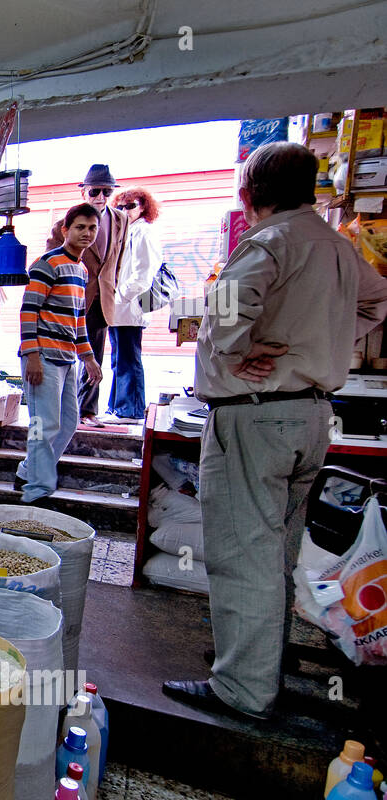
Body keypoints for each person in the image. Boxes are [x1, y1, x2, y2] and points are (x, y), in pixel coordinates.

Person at [163, 142, 387, 721]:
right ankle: (263, 666)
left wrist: (239, 349)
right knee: (276, 553)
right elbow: (376, 302)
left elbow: (226, 307)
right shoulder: (337, 246)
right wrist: (326, 337)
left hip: (257, 415)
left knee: (244, 555)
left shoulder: (269, 241)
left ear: (250, 194)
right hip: (312, 415)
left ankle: (242, 690)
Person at [15, 204, 104, 503]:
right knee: (45, 423)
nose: (86, 233)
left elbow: (78, 319)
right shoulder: (46, 264)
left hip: (68, 359)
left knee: (68, 422)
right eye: (80, 227)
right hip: (43, 356)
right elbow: (28, 311)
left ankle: (29, 472)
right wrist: (33, 356)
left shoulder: (81, 270)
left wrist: (89, 358)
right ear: (66, 230)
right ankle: (36, 487)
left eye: (92, 228)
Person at [49, 164, 128, 428]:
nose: (101, 197)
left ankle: (88, 410)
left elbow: (117, 258)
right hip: (71, 297)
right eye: (95, 190)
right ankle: (64, 409)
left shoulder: (121, 219)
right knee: (67, 355)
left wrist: (112, 286)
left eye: (107, 191)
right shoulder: (68, 222)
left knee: (96, 356)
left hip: (102, 298)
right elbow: (50, 257)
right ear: (84, 191)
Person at [102, 187, 165, 423]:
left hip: (128, 307)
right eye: (121, 207)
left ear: (143, 208)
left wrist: (119, 297)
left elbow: (143, 274)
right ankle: (118, 407)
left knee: (128, 359)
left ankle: (131, 410)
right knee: (119, 359)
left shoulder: (144, 233)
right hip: (118, 308)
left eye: (131, 206)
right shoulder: (125, 232)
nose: (125, 211)